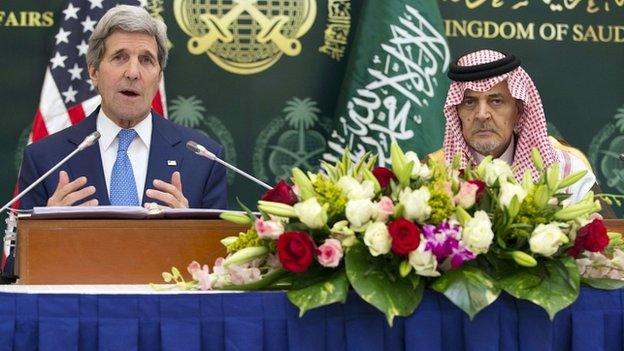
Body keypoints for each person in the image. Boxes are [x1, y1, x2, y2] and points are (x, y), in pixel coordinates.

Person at [18, 5, 227, 210]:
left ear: (158, 78)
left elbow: (217, 245)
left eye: (146, 60)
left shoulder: (204, 161)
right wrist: (45, 226)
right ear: (94, 73)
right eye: (120, 57)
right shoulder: (44, 160)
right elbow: (21, 242)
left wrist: (190, 230)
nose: (133, 72)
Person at [430, 49, 596, 203]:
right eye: (469, 102)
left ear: (518, 110)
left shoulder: (566, 172)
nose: (481, 114)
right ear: (456, 111)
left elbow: (609, 233)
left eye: (496, 101)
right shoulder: (432, 176)